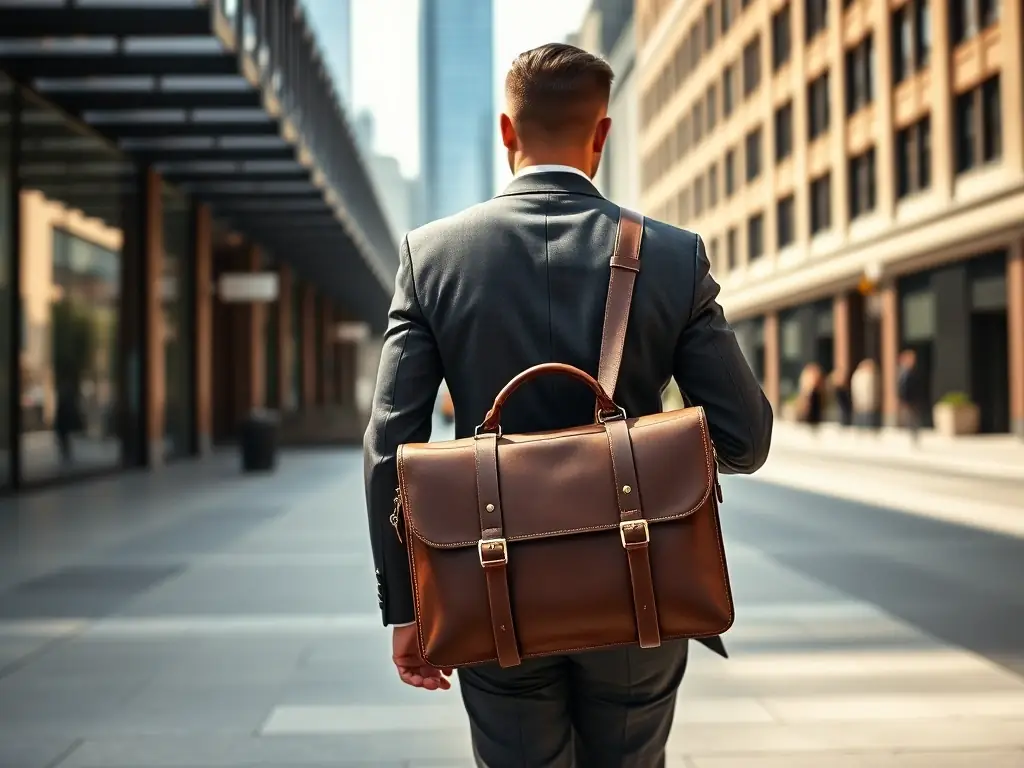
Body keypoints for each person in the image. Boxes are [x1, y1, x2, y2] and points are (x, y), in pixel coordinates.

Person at [363, 43, 773, 768]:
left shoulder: (432, 256)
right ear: (602, 135)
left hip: (487, 590)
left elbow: (390, 445)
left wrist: (407, 607)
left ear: (506, 131)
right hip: (638, 587)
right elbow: (745, 438)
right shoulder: (673, 256)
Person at [897, 349, 925, 443]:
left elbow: (918, 386)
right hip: (907, 399)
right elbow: (901, 387)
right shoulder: (903, 373)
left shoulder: (914, 372)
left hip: (914, 400)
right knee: (909, 418)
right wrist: (902, 399)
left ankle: (915, 435)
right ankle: (912, 435)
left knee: (914, 418)